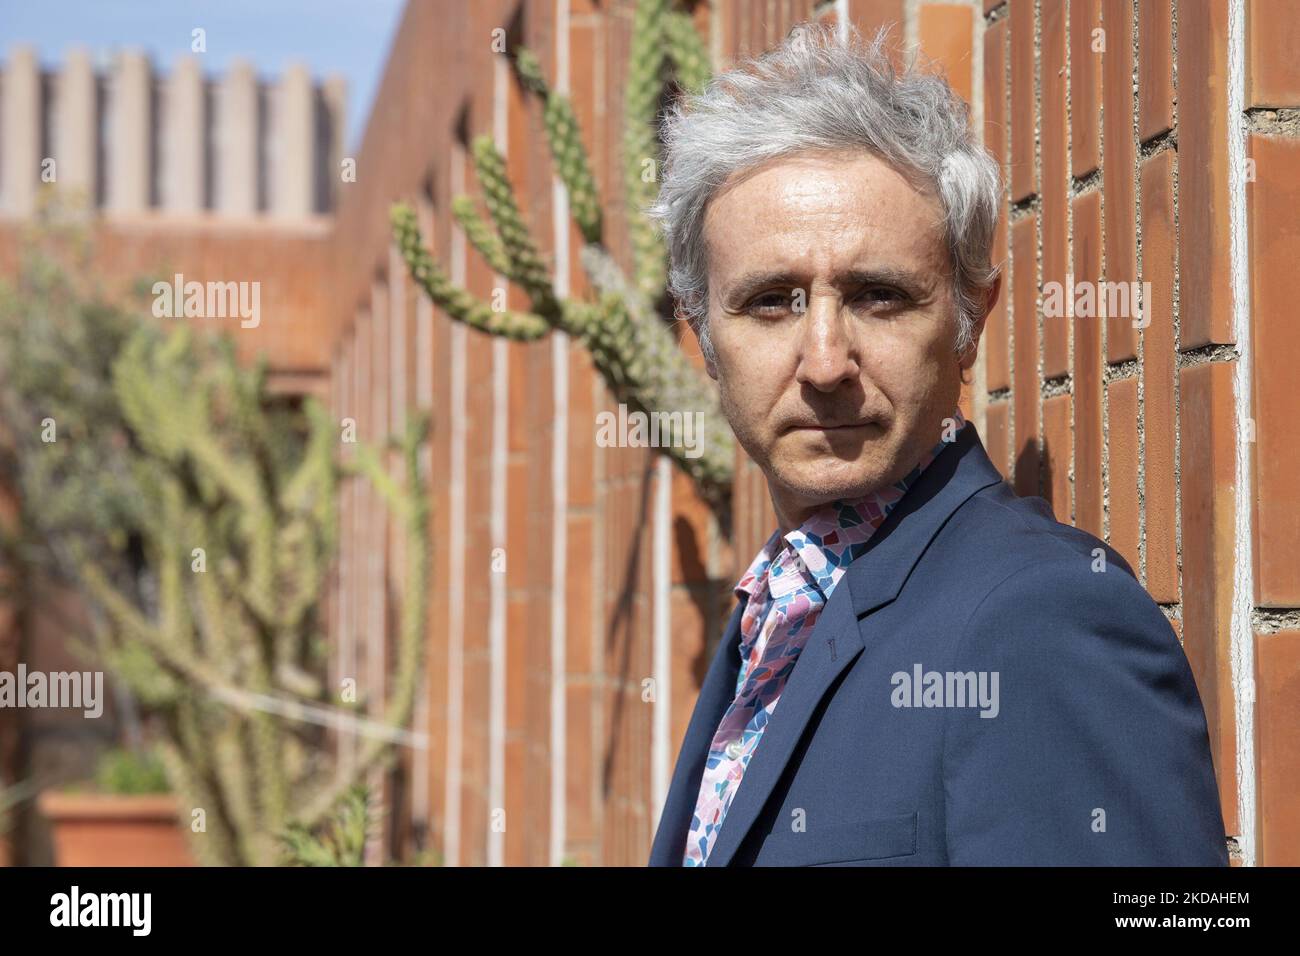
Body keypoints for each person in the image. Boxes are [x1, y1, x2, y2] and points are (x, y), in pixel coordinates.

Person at [645, 21, 1228, 866]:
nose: (825, 361)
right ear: (700, 336)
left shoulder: (1046, 619)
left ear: (968, 323)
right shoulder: (776, 610)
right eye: (771, 301)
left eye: (878, 296)